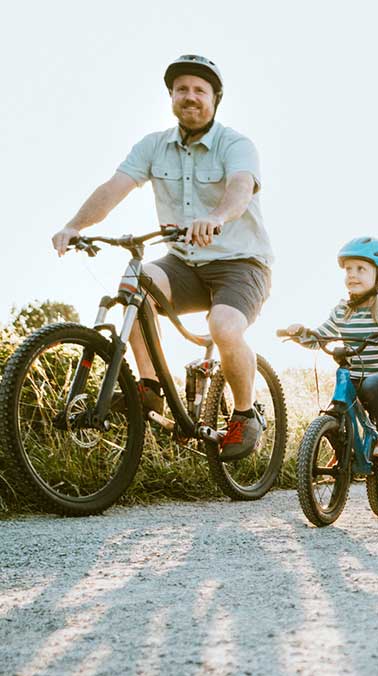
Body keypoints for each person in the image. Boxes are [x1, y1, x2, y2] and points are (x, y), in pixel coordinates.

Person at [50, 55, 273, 462]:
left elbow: (241, 187)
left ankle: (245, 415)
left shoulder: (235, 144)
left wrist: (216, 217)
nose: (190, 97)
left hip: (241, 263)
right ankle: (150, 391)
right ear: (171, 96)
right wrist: (74, 226)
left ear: (215, 99)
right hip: (184, 262)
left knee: (223, 326)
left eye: (199, 90)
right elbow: (113, 188)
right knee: (135, 282)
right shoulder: (153, 146)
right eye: (181, 89)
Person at [286, 237, 378, 459]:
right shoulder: (342, 310)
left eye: (360, 269)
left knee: (373, 383)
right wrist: (301, 333)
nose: (352, 274)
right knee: (335, 406)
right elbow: (320, 337)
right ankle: (343, 451)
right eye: (348, 269)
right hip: (355, 381)